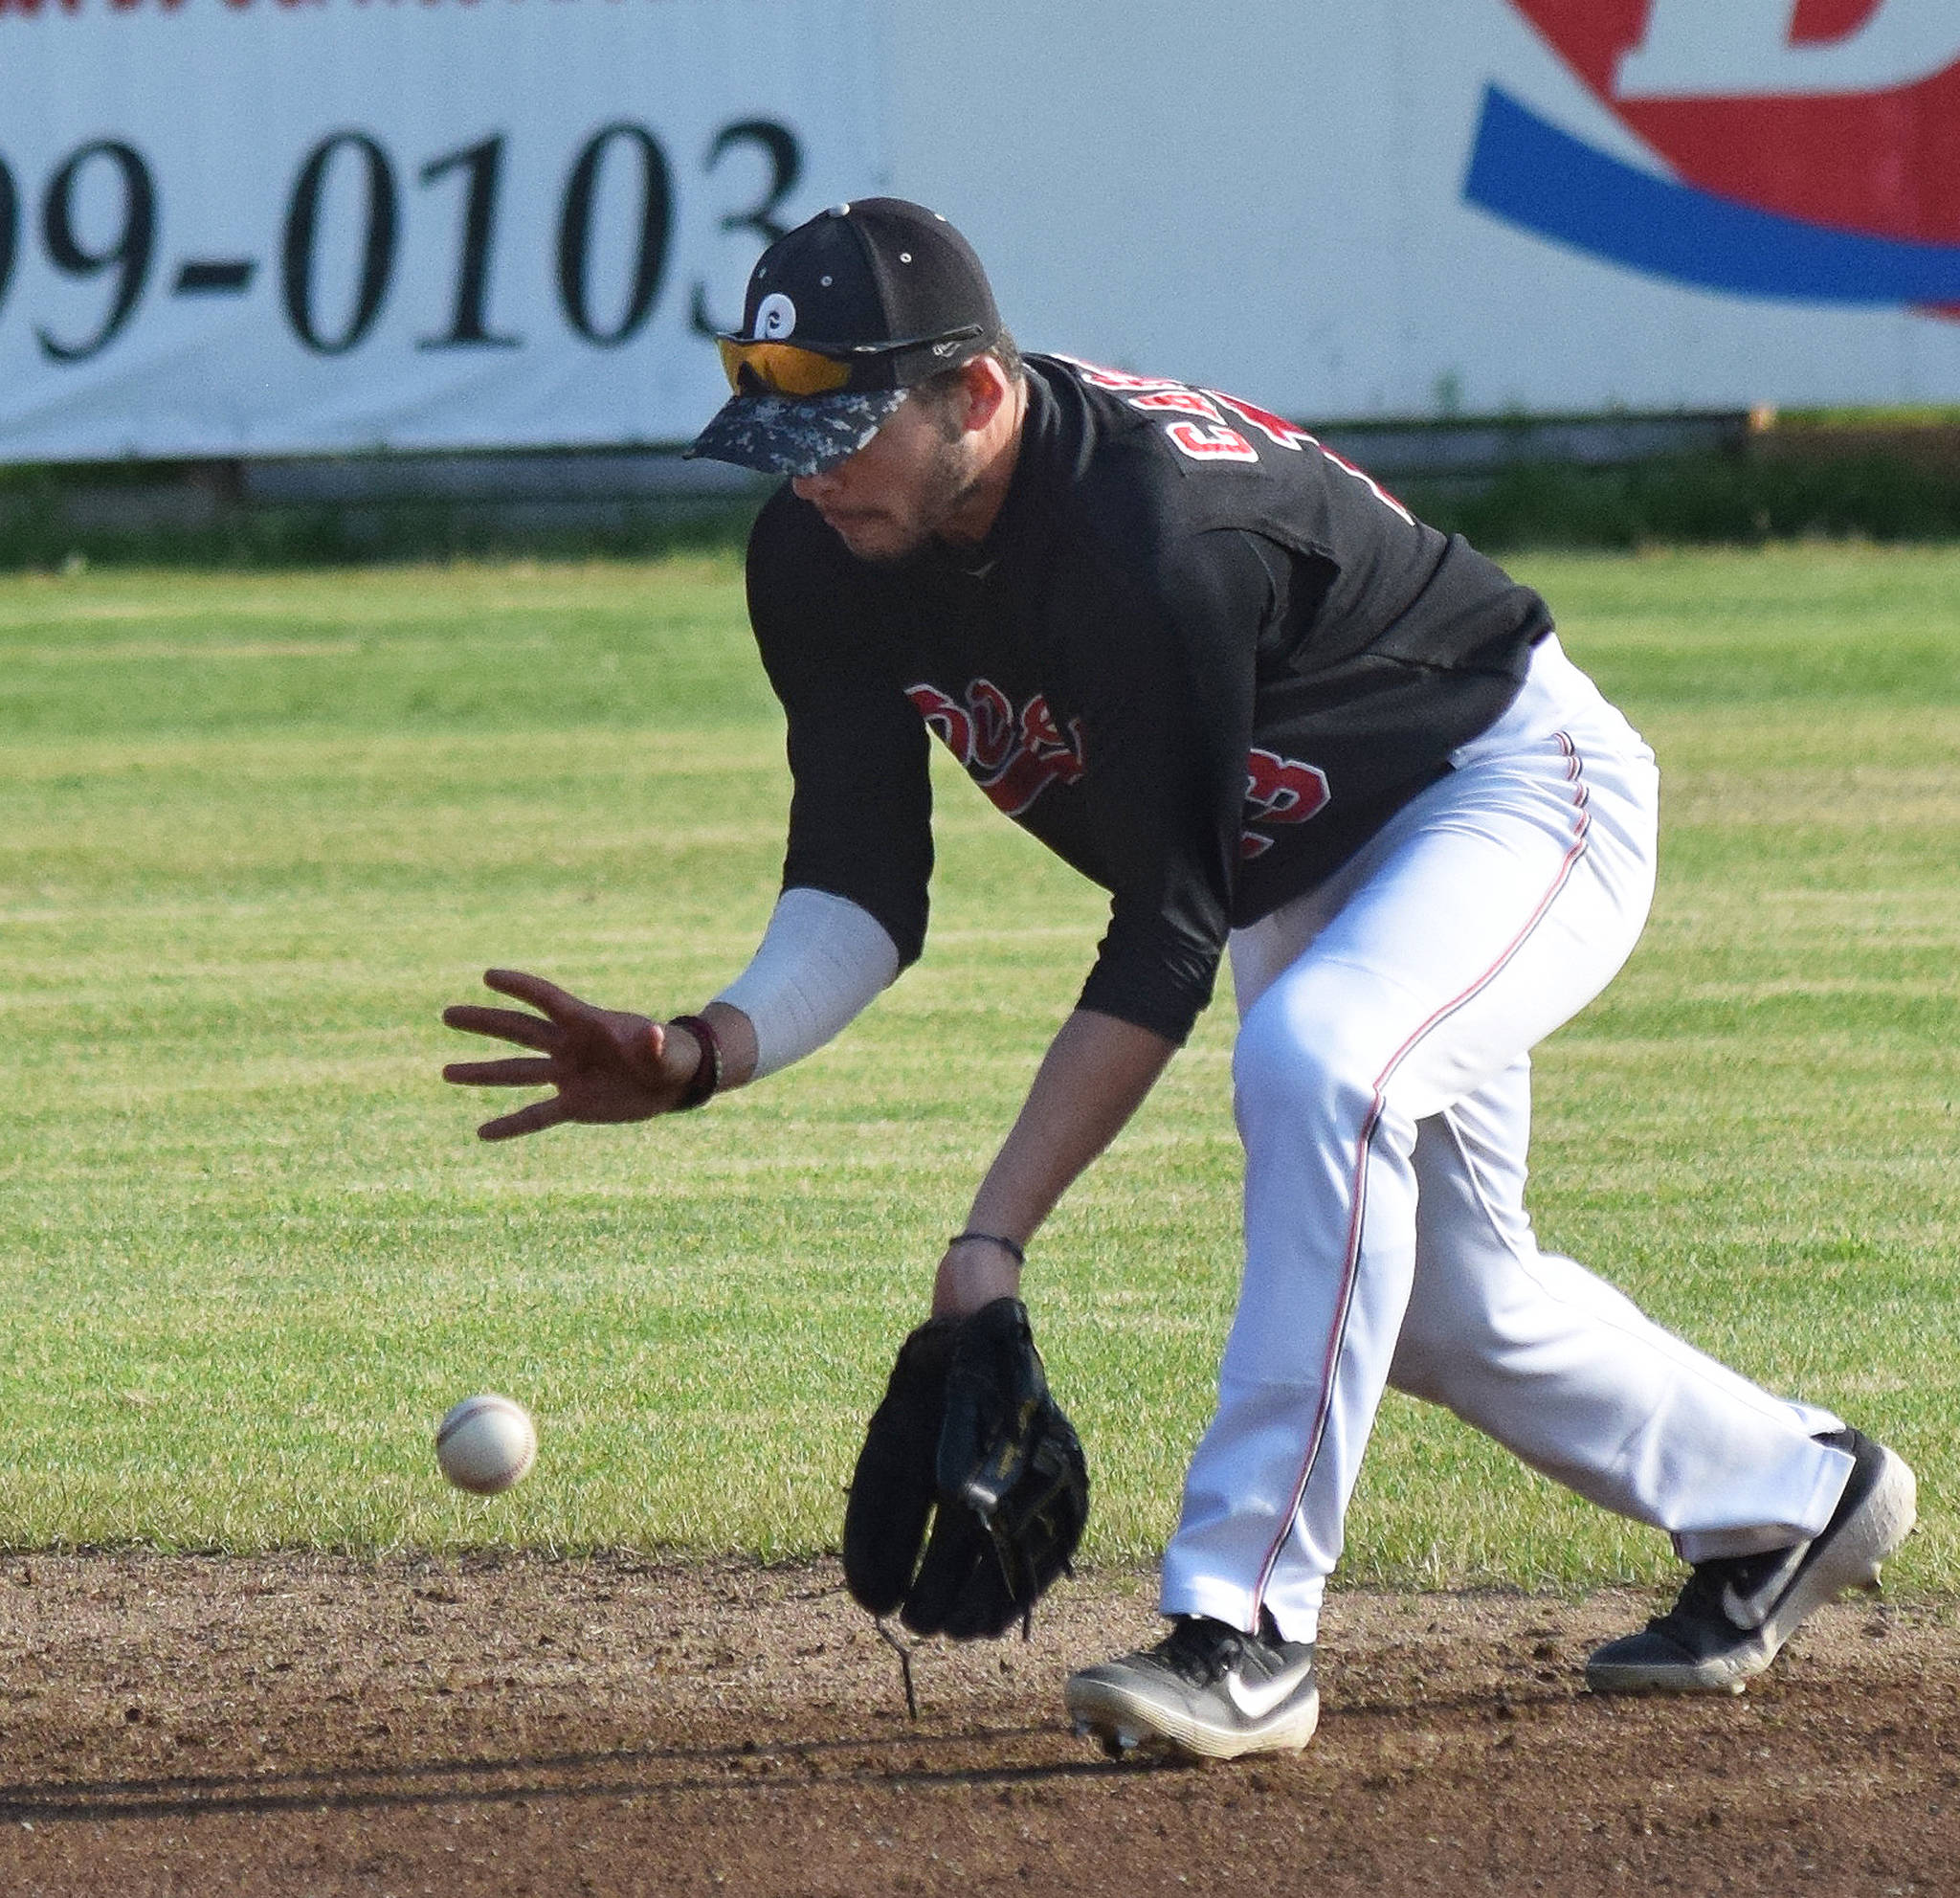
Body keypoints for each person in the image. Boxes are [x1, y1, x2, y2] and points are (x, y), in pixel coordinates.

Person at [442, 199, 1917, 1762]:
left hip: (1503, 787)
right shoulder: (826, 551)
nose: (813, 477)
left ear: (981, 400)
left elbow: (1165, 929)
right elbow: (864, 883)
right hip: (1302, 850)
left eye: (851, 431)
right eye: (786, 436)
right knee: (1432, 1307)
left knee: (1320, 1066)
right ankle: (1795, 1495)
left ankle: (1249, 1623)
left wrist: (991, 1238)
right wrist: (700, 1050)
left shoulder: (1146, 535)